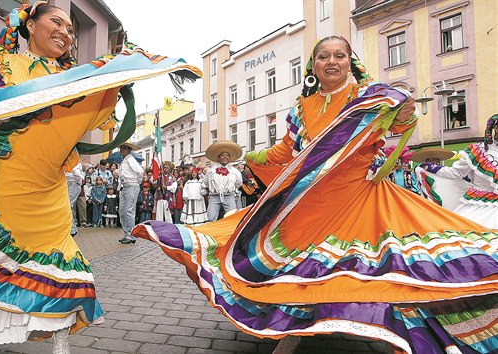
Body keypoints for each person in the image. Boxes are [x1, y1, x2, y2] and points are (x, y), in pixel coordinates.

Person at [0, 1, 201, 352]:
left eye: (71, 30)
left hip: (46, 189)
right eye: (56, 22)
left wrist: (123, 70)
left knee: (57, 266)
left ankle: (58, 347)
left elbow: (87, 120)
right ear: (29, 26)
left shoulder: (73, 81)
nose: (66, 33)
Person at [132, 36, 497, 354]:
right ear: (314, 66)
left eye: (340, 55)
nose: (332, 61)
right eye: (324, 56)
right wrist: (250, 156)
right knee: (299, 266)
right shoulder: (300, 107)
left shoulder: (369, 98)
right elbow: (286, 153)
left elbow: (400, 125)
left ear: (350, 62)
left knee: (380, 270)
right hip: (310, 204)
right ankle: (294, 330)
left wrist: (403, 113)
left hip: (361, 199)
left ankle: (390, 332)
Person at [416, 114, 498, 228]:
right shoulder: (478, 151)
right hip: (481, 206)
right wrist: (432, 168)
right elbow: (456, 173)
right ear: (496, 128)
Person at [201, 140, 243, 221]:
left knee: (231, 217)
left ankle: (230, 233)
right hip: (214, 196)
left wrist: (230, 189)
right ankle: (211, 233)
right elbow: (206, 182)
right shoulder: (211, 170)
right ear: (218, 157)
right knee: (211, 217)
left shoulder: (235, 171)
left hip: (229, 196)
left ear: (229, 158)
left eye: (227, 155)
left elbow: (238, 183)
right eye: (222, 155)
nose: (225, 157)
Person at [117, 141, 144, 244]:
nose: (122, 150)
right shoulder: (123, 161)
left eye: (125, 148)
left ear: (129, 150)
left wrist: (137, 181)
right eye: (121, 148)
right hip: (124, 187)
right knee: (122, 211)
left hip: (131, 186)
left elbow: (140, 171)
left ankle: (130, 234)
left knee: (128, 210)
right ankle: (127, 233)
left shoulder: (130, 159)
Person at [64, 162, 83, 235]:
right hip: (71, 184)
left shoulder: (75, 162)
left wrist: (80, 176)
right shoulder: (70, 161)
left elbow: (76, 171)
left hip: (73, 184)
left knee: (68, 206)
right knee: (68, 207)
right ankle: (73, 229)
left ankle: (72, 229)